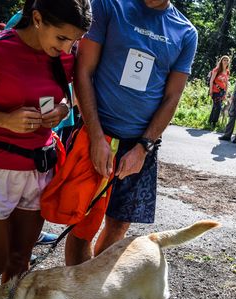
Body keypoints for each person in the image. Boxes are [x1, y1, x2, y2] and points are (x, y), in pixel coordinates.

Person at [0, 0, 90, 291]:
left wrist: (63, 110)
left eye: (74, 41)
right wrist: (3, 120)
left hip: (39, 170)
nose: (68, 49)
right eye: (62, 38)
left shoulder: (64, 56)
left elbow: (66, 96)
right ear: (38, 18)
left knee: (20, 262)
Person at [66, 0, 198, 266]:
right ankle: (78, 288)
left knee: (118, 227)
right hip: (97, 133)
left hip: (140, 145)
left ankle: (94, 287)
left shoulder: (186, 32)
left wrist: (143, 147)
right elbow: (83, 70)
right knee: (83, 227)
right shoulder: (109, 5)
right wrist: (95, 136)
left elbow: (172, 97)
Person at [207, 55, 230, 129]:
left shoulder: (227, 71)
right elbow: (211, 81)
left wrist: (226, 93)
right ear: (221, 61)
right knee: (218, 107)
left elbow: (226, 83)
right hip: (215, 91)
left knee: (215, 106)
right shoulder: (217, 70)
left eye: (227, 60)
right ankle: (214, 122)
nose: (226, 61)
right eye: (224, 60)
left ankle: (210, 121)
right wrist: (210, 91)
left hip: (222, 92)